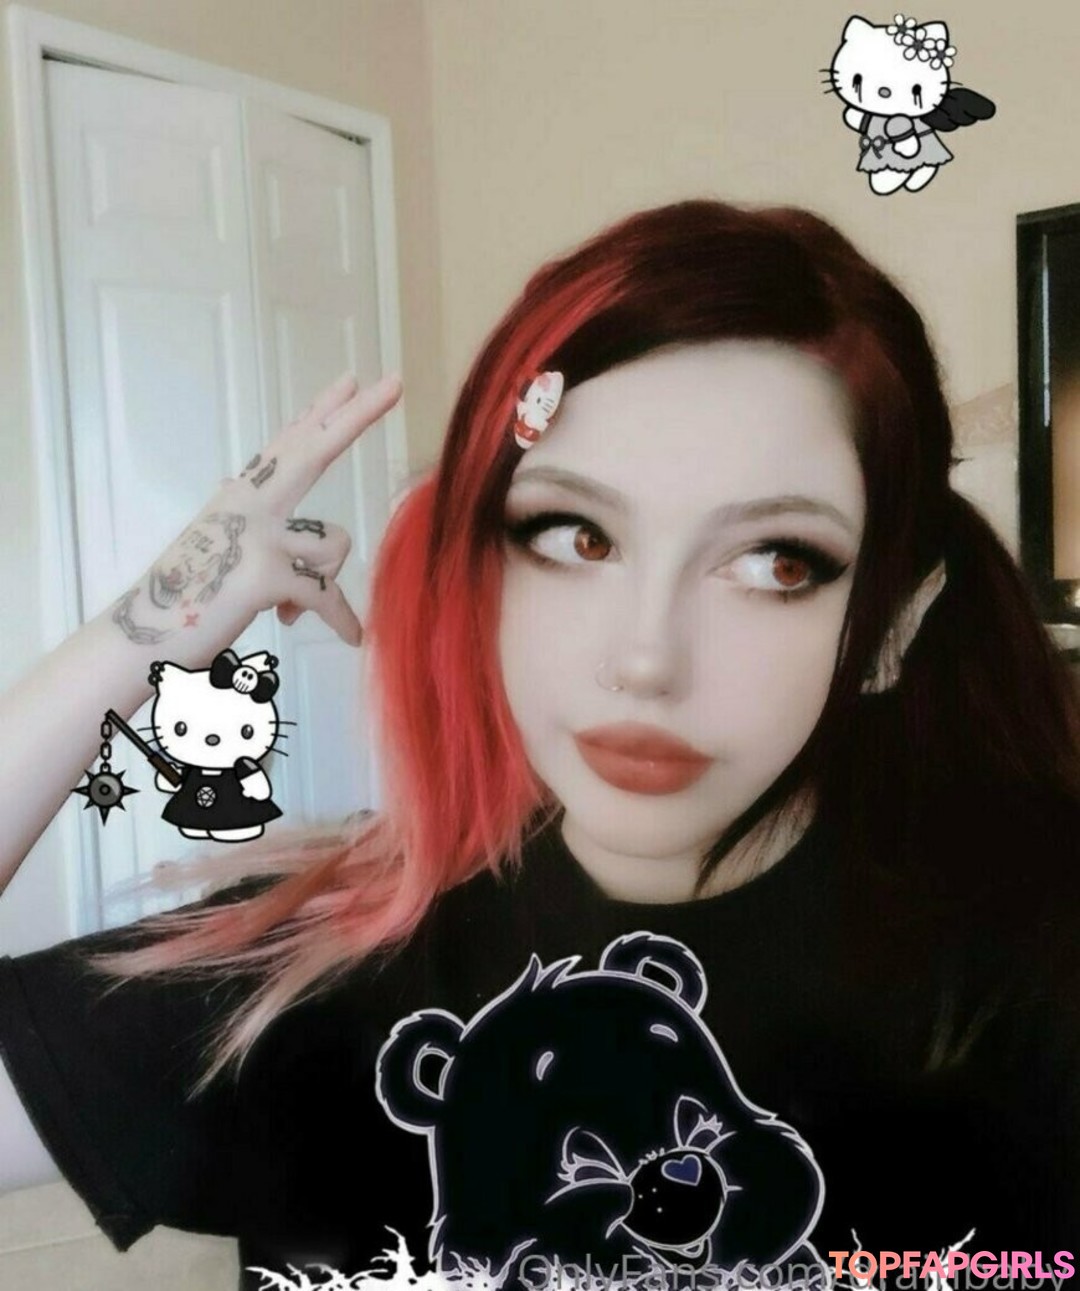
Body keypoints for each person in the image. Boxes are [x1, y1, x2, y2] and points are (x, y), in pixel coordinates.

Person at [1, 199, 1078, 1290]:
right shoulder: (313, 975)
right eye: (578, 535)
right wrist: (150, 626)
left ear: (891, 627)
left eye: (775, 562)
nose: (645, 659)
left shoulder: (1028, 974)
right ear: (483, 575)